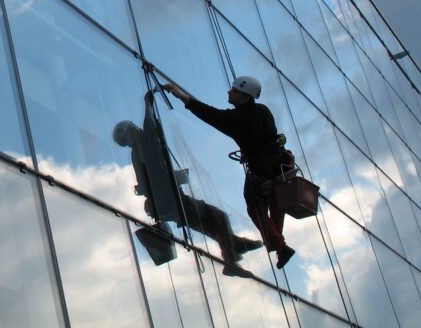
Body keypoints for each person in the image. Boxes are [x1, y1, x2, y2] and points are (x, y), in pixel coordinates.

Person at [113, 92, 262, 277]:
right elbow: (150, 133)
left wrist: (175, 177)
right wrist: (148, 105)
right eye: (134, 129)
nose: (138, 130)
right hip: (170, 200)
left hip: (169, 200)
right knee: (218, 218)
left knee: (214, 222)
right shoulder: (143, 146)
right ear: (131, 132)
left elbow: (154, 176)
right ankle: (232, 256)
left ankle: (234, 247)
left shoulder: (139, 152)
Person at [162, 76, 297, 270]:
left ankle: (280, 247)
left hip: (262, 173)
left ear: (243, 97)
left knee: (255, 208)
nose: (229, 92)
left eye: (233, 91)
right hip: (280, 167)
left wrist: (181, 95)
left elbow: (209, 114)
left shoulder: (237, 119)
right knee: (276, 209)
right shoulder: (263, 110)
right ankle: (279, 246)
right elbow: (262, 137)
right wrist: (251, 152)